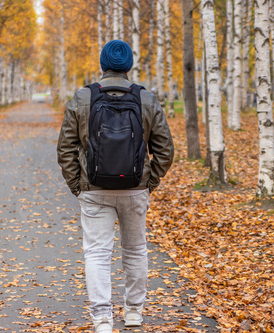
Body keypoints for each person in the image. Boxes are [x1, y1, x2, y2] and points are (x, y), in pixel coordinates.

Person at [57, 39, 174, 333]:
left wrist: (78, 185)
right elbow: (165, 150)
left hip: (94, 190)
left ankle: (102, 319)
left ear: (102, 64)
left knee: (97, 253)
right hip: (135, 188)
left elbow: (65, 149)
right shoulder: (146, 99)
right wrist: (148, 183)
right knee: (135, 250)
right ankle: (134, 312)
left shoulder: (83, 98)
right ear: (128, 67)